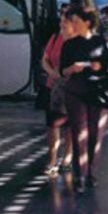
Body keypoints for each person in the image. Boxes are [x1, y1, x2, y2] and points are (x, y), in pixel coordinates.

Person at [60, 4, 108, 193]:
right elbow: (62, 71)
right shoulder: (69, 44)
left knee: (95, 132)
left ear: (87, 23)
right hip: (76, 90)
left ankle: (91, 172)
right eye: (71, 21)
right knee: (79, 132)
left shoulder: (100, 42)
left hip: (98, 91)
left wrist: (100, 66)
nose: (72, 24)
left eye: (76, 21)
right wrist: (72, 69)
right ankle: (79, 175)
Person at [40, 11, 75, 178]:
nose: (61, 25)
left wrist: (61, 73)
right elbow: (45, 58)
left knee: (70, 126)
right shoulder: (55, 38)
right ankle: (52, 160)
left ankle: (67, 159)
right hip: (53, 88)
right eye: (61, 22)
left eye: (65, 23)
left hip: (71, 89)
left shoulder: (77, 41)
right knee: (53, 125)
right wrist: (51, 73)